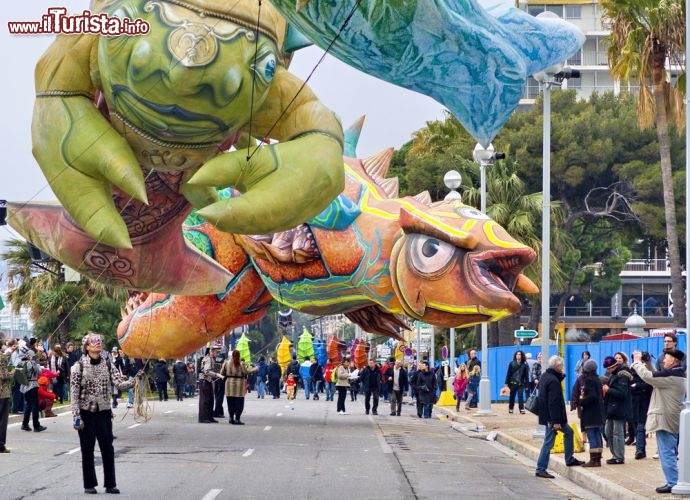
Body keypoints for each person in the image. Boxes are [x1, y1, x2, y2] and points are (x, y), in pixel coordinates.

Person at [71, 332, 142, 494]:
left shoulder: (108, 364)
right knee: (87, 449)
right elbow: (74, 394)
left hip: (104, 412)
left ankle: (110, 484)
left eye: (99, 341)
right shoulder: (78, 366)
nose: (97, 343)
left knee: (108, 449)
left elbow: (119, 383)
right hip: (86, 412)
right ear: (86, 347)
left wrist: (134, 380)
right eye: (93, 342)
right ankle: (89, 484)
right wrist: (76, 416)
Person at [631, 348, 685, 494]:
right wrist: (647, 363)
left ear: (673, 360)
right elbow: (655, 376)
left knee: (666, 453)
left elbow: (648, 377)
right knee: (670, 451)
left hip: (665, 420)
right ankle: (675, 480)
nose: (663, 360)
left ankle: (673, 482)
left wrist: (637, 362)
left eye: (666, 358)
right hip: (671, 418)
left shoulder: (670, 376)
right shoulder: (676, 374)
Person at [535, 355, 584, 478]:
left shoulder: (546, 376)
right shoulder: (553, 381)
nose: (562, 368)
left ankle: (569, 459)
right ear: (557, 366)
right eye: (561, 366)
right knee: (548, 443)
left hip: (549, 416)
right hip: (553, 418)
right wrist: (555, 421)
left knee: (569, 432)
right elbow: (554, 402)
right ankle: (541, 468)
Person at [602, 355, 631, 465]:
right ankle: (615, 454)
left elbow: (622, 393)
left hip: (619, 408)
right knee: (608, 431)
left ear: (612, 367)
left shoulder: (622, 375)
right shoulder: (614, 374)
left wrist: (609, 390)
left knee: (617, 433)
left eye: (608, 368)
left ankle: (619, 457)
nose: (607, 370)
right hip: (611, 408)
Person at [577, 359, 605, 467]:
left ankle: (593, 460)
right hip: (598, 411)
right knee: (597, 434)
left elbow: (591, 396)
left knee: (591, 435)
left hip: (590, 413)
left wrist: (582, 401)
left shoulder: (588, 380)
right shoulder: (597, 379)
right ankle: (598, 458)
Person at [220, 349, 257, 424]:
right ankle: (237, 418)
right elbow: (246, 372)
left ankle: (231, 417)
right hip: (239, 384)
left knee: (230, 402)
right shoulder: (241, 363)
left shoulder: (226, 363)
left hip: (229, 383)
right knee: (239, 402)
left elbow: (221, 373)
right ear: (239, 356)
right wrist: (255, 368)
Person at [629, 352, 653, 458]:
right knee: (636, 426)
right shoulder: (631, 370)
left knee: (640, 426)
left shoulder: (646, 370)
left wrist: (637, 385)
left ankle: (639, 450)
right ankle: (641, 449)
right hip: (634, 402)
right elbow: (628, 385)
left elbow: (650, 383)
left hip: (644, 401)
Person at [18, 345, 46, 433]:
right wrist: (35, 362)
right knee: (35, 406)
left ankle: (25, 424)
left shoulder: (20, 362)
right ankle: (36, 426)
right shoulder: (31, 362)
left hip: (23, 386)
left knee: (28, 405)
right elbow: (39, 371)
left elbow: (17, 375)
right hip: (32, 385)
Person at [0, 341, 19, 452]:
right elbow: (4, 375)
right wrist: (13, 372)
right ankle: (1, 445)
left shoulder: (3, 356)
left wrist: (11, 351)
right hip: (3, 392)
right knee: (2, 420)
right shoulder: (2, 357)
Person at [198, 344, 222, 423]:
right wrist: (217, 375)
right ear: (211, 351)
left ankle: (209, 416)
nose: (217, 353)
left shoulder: (211, 358)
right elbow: (207, 371)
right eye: (215, 351)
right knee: (205, 400)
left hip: (208, 380)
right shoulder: (208, 359)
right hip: (205, 380)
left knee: (210, 400)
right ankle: (203, 418)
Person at [503, 350, 529, 414]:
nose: (518, 355)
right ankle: (511, 408)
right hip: (512, 383)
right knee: (512, 396)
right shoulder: (511, 363)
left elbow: (526, 376)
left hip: (521, 383)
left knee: (521, 396)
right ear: (515, 355)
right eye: (517, 354)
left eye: (519, 354)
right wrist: (506, 383)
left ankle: (521, 408)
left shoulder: (524, 364)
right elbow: (508, 374)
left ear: (522, 356)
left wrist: (527, 385)